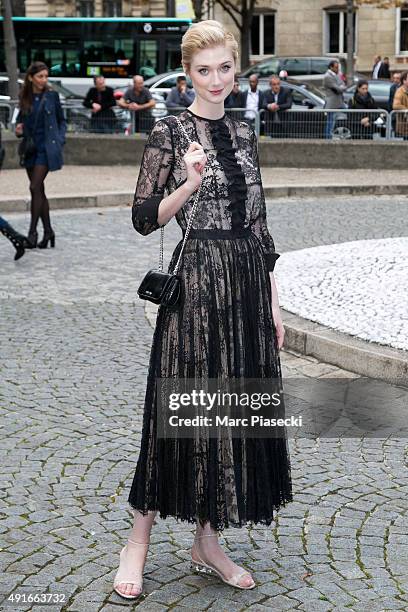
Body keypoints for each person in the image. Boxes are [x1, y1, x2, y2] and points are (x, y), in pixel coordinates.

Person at [113, 19, 292, 600]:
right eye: (203, 71)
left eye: (225, 68)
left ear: (236, 69)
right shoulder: (169, 131)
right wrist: (189, 183)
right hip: (195, 290)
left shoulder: (244, 134)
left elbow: (261, 229)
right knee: (178, 409)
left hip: (244, 290)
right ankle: (136, 540)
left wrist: (273, 306)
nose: (216, 80)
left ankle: (207, 541)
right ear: (188, 74)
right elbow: (145, 218)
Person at [15, 62, 66, 249]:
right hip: (30, 149)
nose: (44, 80)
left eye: (46, 76)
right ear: (31, 77)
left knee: (34, 186)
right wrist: (19, 130)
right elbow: (20, 123)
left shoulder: (52, 96)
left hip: (46, 149)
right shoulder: (25, 96)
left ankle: (32, 233)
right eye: (40, 76)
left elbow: (62, 121)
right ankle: (49, 231)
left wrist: (59, 140)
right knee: (39, 191)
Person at [322, 60, 347, 139]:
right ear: (331, 67)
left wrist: (341, 86)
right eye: (336, 67)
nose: (338, 69)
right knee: (330, 123)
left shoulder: (336, 75)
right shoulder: (328, 76)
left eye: (338, 67)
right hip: (332, 103)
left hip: (339, 101)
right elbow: (338, 89)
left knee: (350, 113)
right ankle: (328, 139)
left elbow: (343, 84)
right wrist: (342, 87)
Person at [393, 71, 408, 139]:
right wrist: (406, 110)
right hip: (404, 125)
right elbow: (396, 105)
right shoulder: (399, 91)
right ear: (404, 81)